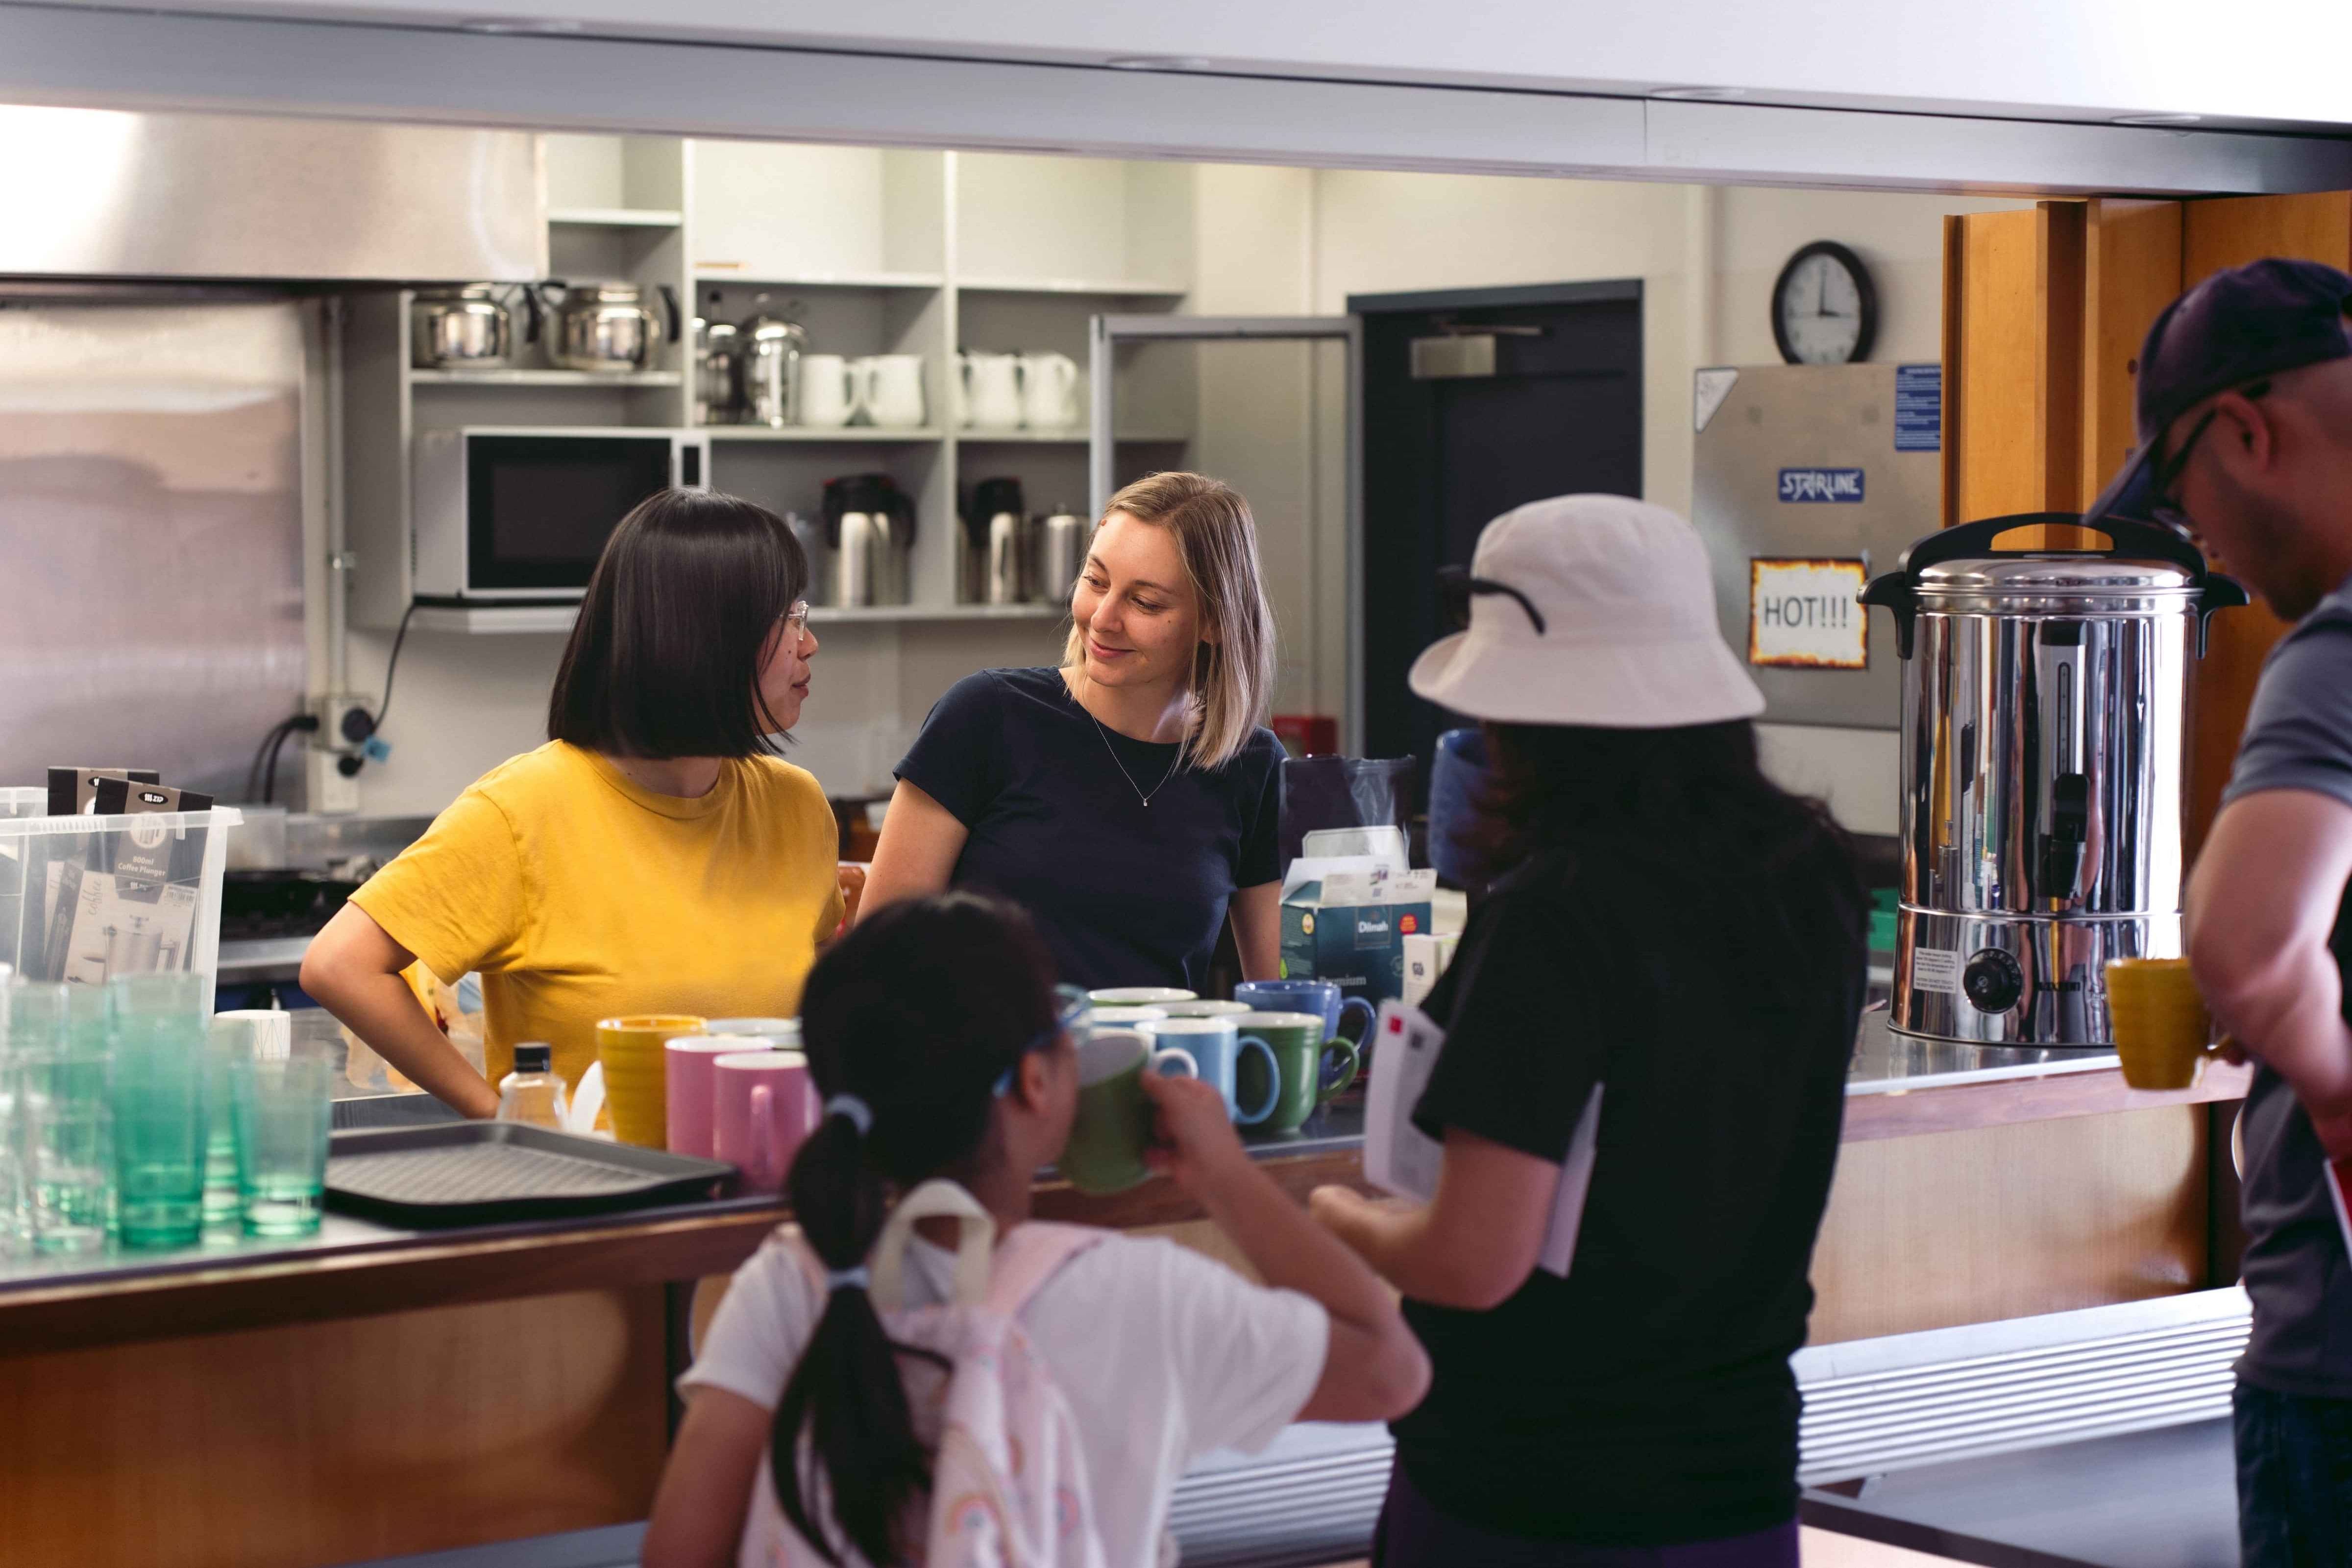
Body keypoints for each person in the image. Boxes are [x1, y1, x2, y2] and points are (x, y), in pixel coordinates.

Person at [1309, 495, 1865, 1565]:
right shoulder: (1812, 876)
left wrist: (1341, 1215)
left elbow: (1474, 1262)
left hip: (1533, 1490)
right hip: (1736, 1479)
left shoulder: (1561, 912)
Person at [639, 891, 1429, 1568]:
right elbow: (1392, 1371)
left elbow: (679, 1552)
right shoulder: (1137, 1293)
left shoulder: (792, 1283)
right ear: (1035, 1080)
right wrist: (1227, 1175)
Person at [2085, 259, 2352, 1565]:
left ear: (2245, 432)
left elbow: (2248, 945)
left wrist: (2332, 1074)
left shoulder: (2339, 650)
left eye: (2185, 499)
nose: (2204, 545)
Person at [302, 488, 844, 1117]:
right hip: (594, 1194)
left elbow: (814, 999)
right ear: (706, 637)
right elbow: (339, 966)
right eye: (789, 618)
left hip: (761, 1184)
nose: (809, 645)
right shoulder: (522, 812)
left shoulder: (795, 806)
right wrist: (500, 1119)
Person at [858, 471, 1286, 991]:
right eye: (1096, 581)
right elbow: (877, 964)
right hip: (990, 1067)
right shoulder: (987, 716)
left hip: (1156, 1068)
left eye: (1145, 602)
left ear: (1215, 622)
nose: (1103, 618)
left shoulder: (1251, 764)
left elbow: (1283, 995)